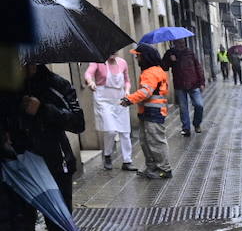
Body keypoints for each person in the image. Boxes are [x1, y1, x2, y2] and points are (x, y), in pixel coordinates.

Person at [0, 60, 85, 231]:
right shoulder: (6, 87)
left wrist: (44, 109)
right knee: (21, 228)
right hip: (19, 166)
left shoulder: (57, 85)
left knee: (58, 222)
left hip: (55, 164)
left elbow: (78, 122)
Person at [122, 44, 172, 179]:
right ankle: (152, 168)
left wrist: (129, 99)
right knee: (146, 141)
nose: (137, 59)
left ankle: (164, 169)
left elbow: (146, 92)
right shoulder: (155, 70)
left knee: (155, 141)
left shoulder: (150, 73)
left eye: (138, 56)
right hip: (149, 111)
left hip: (153, 112)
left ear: (145, 57)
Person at [84, 52, 135, 171]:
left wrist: (127, 90)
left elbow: (127, 80)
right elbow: (88, 73)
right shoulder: (97, 62)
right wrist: (90, 81)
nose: (112, 53)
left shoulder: (123, 62)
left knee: (125, 131)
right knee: (111, 130)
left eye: (114, 51)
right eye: (109, 51)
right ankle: (107, 155)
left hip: (120, 99)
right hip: (104, 100)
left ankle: (127, 161)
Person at [162, 41, 205, 137]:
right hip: (179, 84)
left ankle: (197, 123)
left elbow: (198, 67)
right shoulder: (170, 53)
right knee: (183, 108)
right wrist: (170, 59)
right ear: (175, 44)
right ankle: (186, 128)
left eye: (182, 43)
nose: (181, 45)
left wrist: (202, 82)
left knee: (199, 105)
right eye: (178, 43)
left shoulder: (189, 53)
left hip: (193, 83)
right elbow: (164, 67)